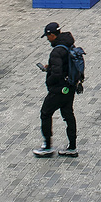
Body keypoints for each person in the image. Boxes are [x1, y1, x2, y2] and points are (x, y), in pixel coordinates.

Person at [33, 22, 78, 158]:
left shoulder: (56, 52)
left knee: (45, 113)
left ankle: (47, 146)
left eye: (48, 36)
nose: (47, 39)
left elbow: (57, 74)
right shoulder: (69, 44)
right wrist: (51, 67)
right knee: (68, 115)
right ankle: (72, 147)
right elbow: (64, 65)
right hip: (70, 87)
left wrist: (49, 81)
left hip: (58, 90)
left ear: (52, 35)